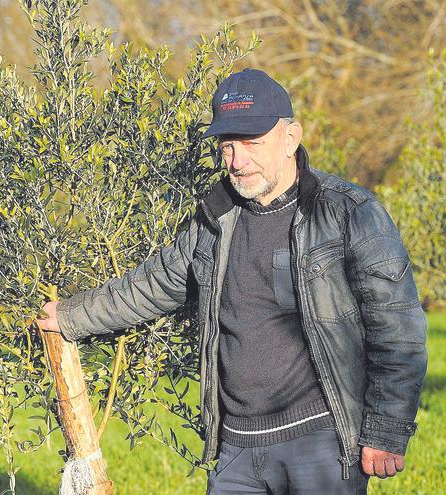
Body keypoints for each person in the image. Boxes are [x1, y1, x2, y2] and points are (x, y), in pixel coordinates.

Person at [36, 68, 428, 494]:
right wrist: (72, 315)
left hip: (322, 443)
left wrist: (386, 431)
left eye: (252, 144)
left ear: (291, 138)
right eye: (228, 147)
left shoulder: (348, 212)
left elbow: (398, 327)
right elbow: (156, 282)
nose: (238, 162)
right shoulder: (215, 219)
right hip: (236, 449)